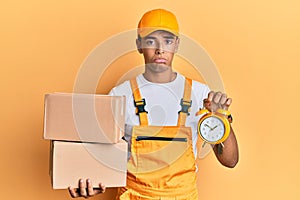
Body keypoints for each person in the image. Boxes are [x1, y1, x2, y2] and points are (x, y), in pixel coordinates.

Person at [69, 8, 239, 199]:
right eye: (151, 41)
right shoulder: (120, 95)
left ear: (177, 44)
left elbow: (230, 160)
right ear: (139, 44)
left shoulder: (200, 94)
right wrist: (88, 182)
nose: (160, 49)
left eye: (167, 41)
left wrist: (220, 118)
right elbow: (103, 159)